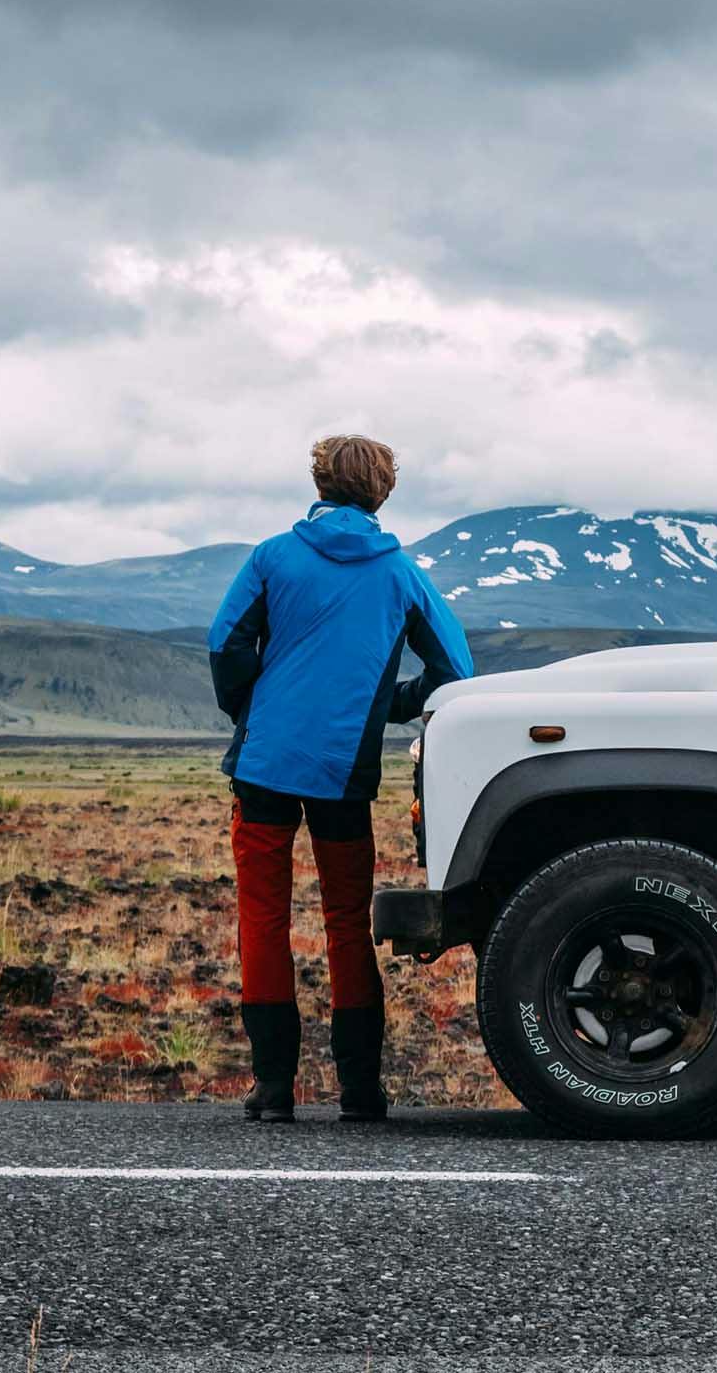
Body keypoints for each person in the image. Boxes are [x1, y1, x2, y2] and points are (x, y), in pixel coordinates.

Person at [206, 434, 473, 1122]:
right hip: (343, 766)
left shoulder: (273, 555)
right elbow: (455, 672)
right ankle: (360, 1090)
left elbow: (224, 642)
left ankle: (273, 1089)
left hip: (265, 764)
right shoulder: (402, 574)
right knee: (347, 923)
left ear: (320, 481)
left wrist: (254, 711)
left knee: (261, 916)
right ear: (383, 490)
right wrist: (386, 706)